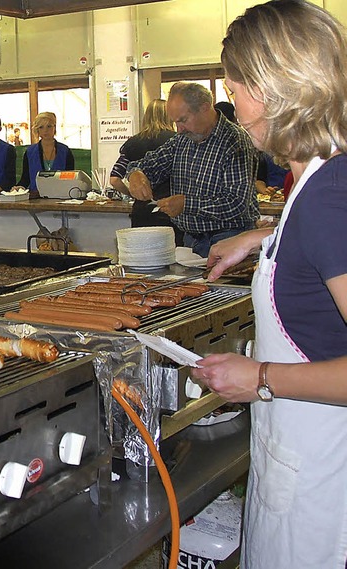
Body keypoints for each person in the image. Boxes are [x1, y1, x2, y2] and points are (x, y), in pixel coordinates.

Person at [189, 2, 347, 568]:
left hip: (321, 477)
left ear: (279, 87)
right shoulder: (319, 176)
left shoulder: (330, 196)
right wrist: (262, 236)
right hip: (297, 450)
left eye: (237, 82)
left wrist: (257, 377)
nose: (232, 97)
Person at [126, 81, 259, 257]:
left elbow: (235, 203)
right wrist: (136, 174)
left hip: (230, 239)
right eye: (175, 122)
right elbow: (148, 164)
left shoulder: (235, 141)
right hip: (190, 240)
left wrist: (187, 204)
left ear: (205, 108)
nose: (179, 129)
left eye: (183, 120)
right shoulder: (182, 140)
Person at [110, 98, 181, 243]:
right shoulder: (177, 141)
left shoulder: (133, 143)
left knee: (142, 258)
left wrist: (132, 193)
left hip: (142, 212)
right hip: (171, 210)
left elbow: (114, 179)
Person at [15, 111, 74, 197]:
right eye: (41, 127)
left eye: (49, 126)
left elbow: (71, 178)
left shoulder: (65, 151)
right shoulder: (30, 152)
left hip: (61, 198)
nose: (45, 130)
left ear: (54, 128)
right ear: (37, 130)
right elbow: (25, 179)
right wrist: (18, 188)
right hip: (35, 199)